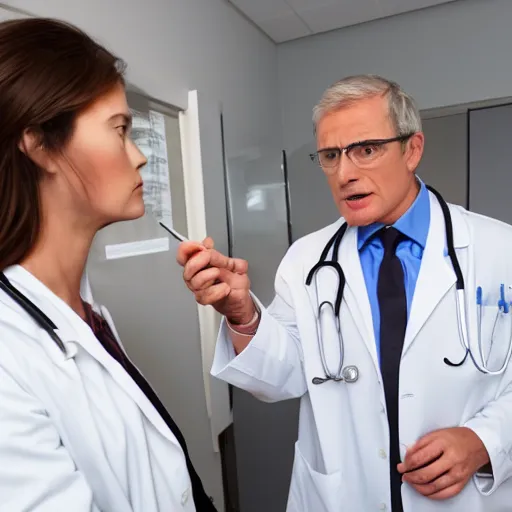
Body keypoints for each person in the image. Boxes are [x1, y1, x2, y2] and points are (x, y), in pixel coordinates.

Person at [178, 74, 512, 511]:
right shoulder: (307, 259)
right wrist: (242, 314)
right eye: (331, 155)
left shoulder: (499, 248)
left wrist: (485, 440)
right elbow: (283, 375)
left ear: (413, 149)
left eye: (366, 150)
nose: (344, 173)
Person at [0, 18, 216, 511]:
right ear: (39, 146)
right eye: (119, 130)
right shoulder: (7, 352)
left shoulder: (82, 312)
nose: (139, 157)